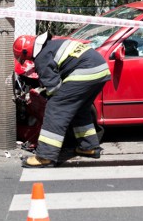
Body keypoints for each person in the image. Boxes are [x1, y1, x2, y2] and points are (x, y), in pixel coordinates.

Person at [13, 32, 111, 168]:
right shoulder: (52, 45)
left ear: (25, 53)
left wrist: (45, 94)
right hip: (101, 69)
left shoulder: (41, 58)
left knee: (55, 109)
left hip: (85, 71)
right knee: (80, 109)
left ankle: (45, 156)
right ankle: (89, 147)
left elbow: (54, 89)